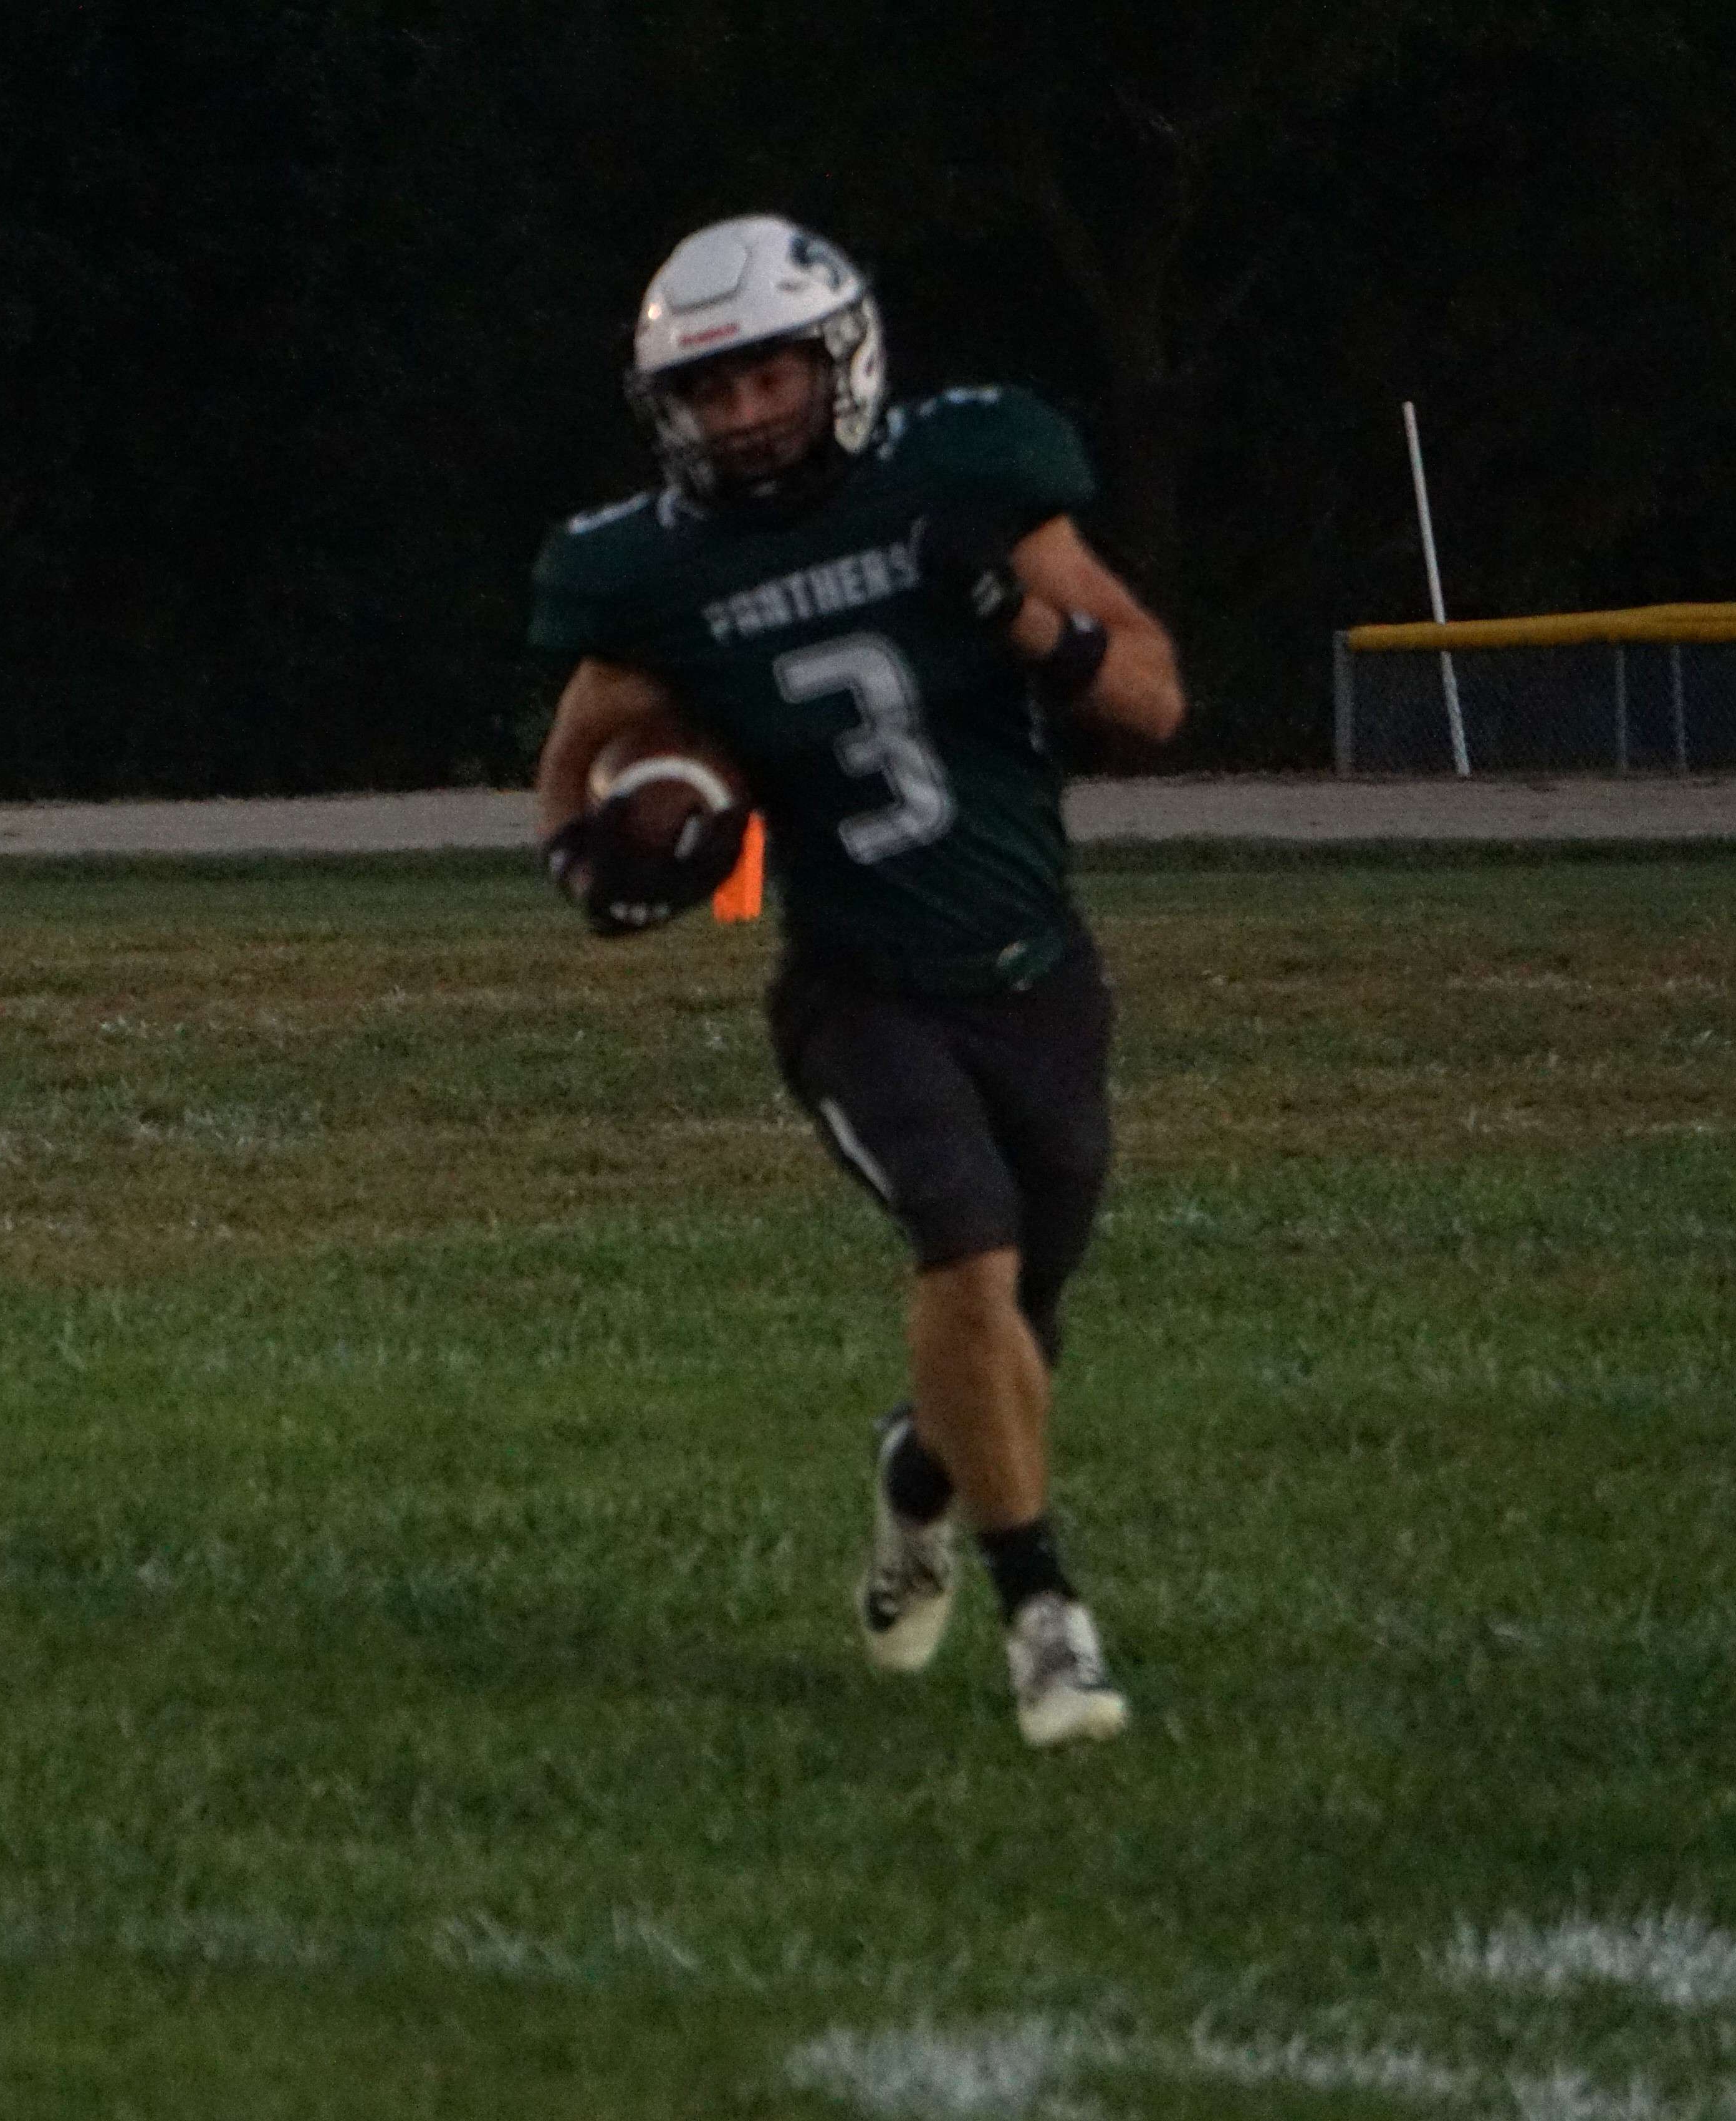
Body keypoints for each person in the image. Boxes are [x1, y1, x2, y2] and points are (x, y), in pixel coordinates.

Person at [528, 216, 1184, 1748]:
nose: (746, 412)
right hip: (857, 989)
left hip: (1036, 969)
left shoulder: (966, 477)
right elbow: (577, 758)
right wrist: (595, 863)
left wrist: (1011, 615)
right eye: (710, 390)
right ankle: (1046, 1619)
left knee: (1022, 1319)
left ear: (842, 358)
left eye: (770, 374)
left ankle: (918, 1483)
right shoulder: (651, 572)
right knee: (962, 1249)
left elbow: (1151, 698)